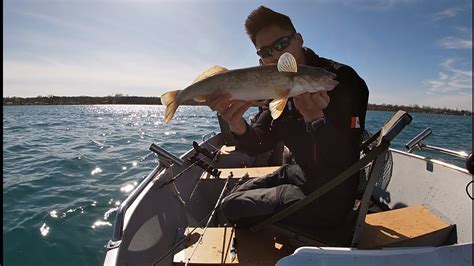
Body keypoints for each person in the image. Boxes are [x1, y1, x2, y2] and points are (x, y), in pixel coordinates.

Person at [208, 6, 369, 230]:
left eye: (281, 44)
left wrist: (316, 120)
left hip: (330, 192)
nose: (274, 55)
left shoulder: (342, 80)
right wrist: (237, 125)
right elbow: (260, 142)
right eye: (264, 52)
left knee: (231, 207)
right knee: (236, 191)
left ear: (299, 39)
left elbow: (345, 156)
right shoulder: (275, 88)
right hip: (298, 173)